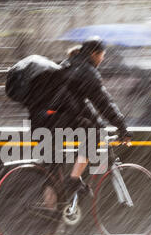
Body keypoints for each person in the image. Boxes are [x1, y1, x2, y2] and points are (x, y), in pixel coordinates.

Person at [31, 37, 133, 196]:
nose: (103, 58)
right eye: (102, 55)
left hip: (42, 118)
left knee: (53, 170)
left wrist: (100, 123)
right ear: (94, 54)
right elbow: (104, 103)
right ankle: (73, 180)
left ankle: (50, 214)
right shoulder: (87, 73)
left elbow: (82, 107)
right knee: (94, 135)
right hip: (56, 120)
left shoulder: (68, 65)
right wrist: (122, 127)